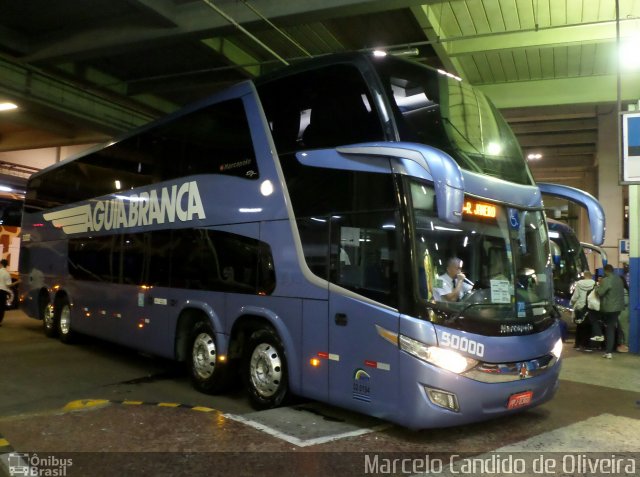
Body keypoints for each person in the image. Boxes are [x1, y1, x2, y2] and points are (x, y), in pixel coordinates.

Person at [591, 264, 625, 359]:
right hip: (618, 308)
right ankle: (609, 352)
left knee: (592, 315)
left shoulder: (606, 280)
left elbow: (600, 293)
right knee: (610, 328)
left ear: (606, 271)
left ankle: (599, 334)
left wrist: (597, 287)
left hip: (608, 308)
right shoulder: (619, 279)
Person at [569, 270, 596, 351]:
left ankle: (577, 344)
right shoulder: (594, 284)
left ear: (584, 276)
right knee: (589, 326)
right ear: (591, 276)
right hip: (590, 307)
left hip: (580, 307)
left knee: (579, 326)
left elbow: (575, 296)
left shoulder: (579, 284)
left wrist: (572, 302)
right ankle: (587, 345)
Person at [0, 259, 14, 326]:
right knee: (1, 307)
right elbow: (8, 285)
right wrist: (18, 282)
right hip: (2, 292)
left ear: (1, 264)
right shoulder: (7, 273)